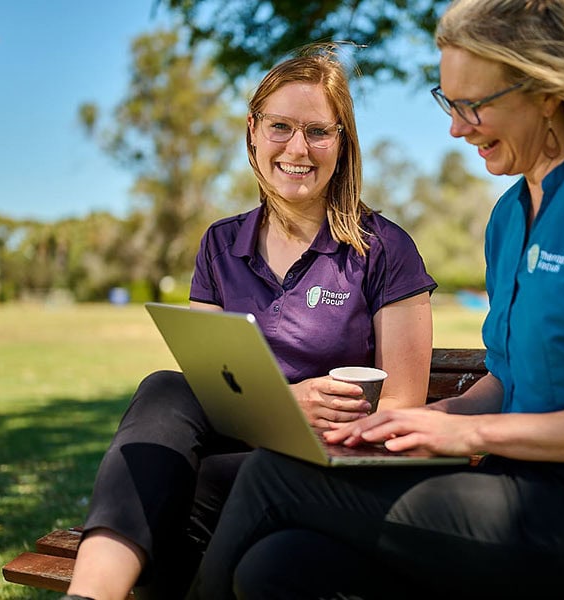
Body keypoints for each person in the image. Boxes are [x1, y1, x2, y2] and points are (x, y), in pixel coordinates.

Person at [187, 1, 564, 599]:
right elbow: (505, 381)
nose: (457, 128)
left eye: (473, 105)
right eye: (449, 102)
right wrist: (423, 420)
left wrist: (475, 438)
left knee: (275, 474)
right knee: (278, 566)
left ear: (547, 92)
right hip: (514, 494)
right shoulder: (511, 218)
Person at [62, 45, 437, 600]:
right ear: (254, 131)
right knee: (167, 388)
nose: (298, 148)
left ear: (342, 142)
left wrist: (303, 414)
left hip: (318, 469)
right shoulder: (220, 243)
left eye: (319, 131)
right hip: (230, 449)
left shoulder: (383, 248)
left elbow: (405, 406)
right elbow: (207, 380)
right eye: (281, 126)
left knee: (180, 486)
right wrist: (284, 403)